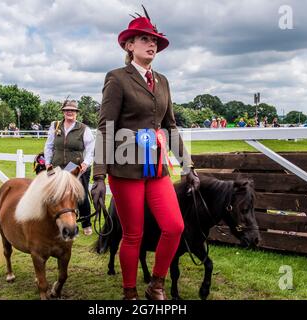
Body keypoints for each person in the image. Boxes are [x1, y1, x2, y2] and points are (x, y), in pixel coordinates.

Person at [90, 7, 200, 300]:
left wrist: (187, 165)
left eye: (155, 41)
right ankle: (129, 292)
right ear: (129, 46)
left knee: (175, 226)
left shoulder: (163, 81)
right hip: (125, 170)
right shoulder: (117, 78)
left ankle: (157, 284)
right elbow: (105, 128)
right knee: (133, 235)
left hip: (157, 168)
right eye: (144, 39)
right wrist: (98, 176)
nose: (152, 45)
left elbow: (171, 126)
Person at [44, 100, 95, 236]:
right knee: (56, 196)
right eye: (67, 110)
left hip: (76, 168)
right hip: (57, 168)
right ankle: (57, 221)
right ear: (63, 112)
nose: (69, 112)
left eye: (72, 110)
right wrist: (48, 163)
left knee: (81, 196)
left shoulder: (84, 128)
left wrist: (86, 163)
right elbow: (49, 145)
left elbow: (91, 149)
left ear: (76, 113)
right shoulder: (55, 126)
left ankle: (86, 223)